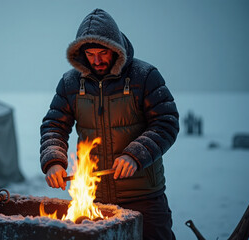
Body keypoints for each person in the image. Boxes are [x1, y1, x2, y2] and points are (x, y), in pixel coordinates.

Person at [40, 9, 179, 240]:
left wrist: (135, 155)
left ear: (115, 48)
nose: (96, 60)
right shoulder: (70, 82)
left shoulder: (144, 76)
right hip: (95, 199)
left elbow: (166, 123)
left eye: (102, 52)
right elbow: (54, 125)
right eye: (90, 54)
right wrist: (53, 160)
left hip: (144, 197)